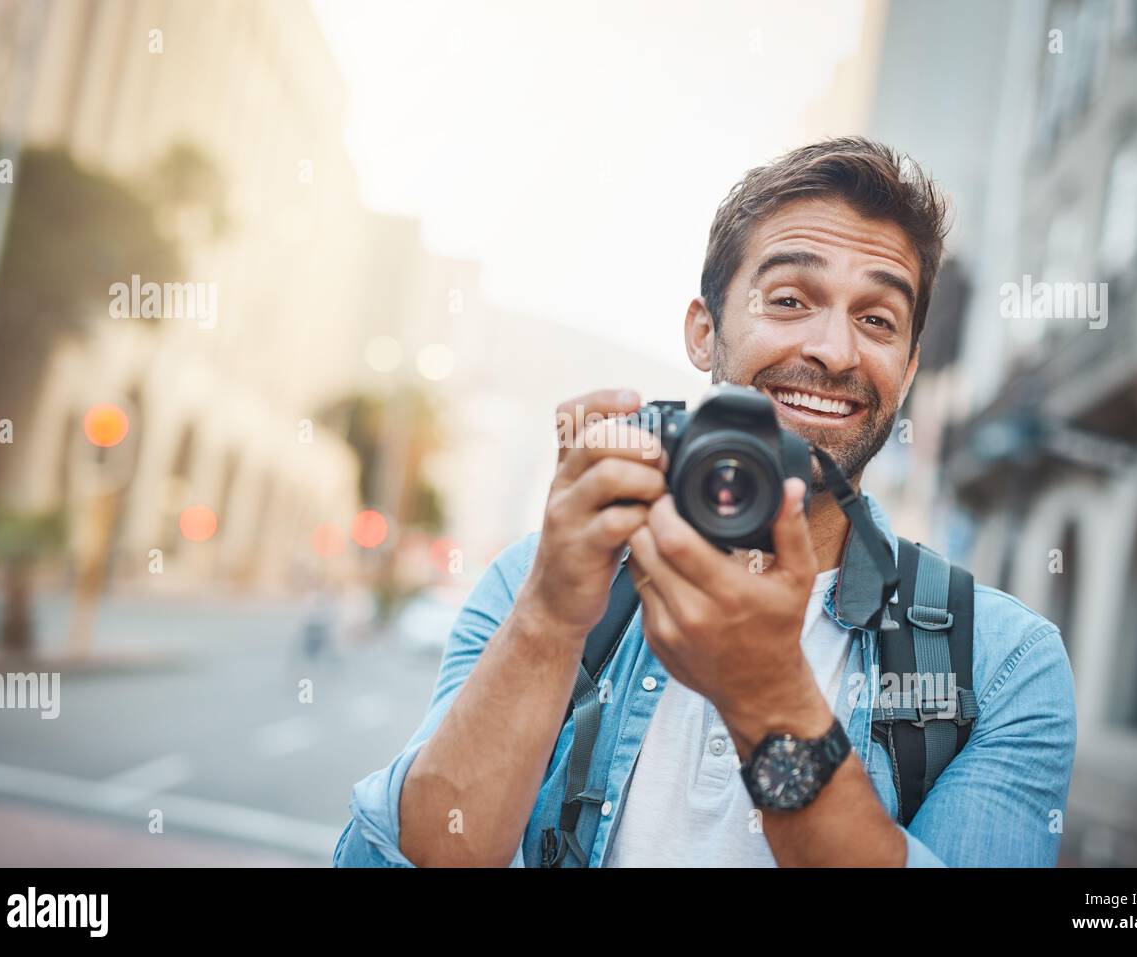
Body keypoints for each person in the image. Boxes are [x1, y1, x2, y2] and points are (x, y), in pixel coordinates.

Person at [333, 136, 1077, 867]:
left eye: (877, 319)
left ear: (908, 370)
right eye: (789, 299)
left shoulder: (1003, 666)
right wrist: (550, 621)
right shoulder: (536, 582)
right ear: (704, 331)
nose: (835, 351)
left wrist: (768, 696)